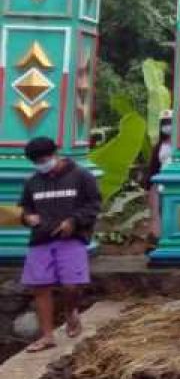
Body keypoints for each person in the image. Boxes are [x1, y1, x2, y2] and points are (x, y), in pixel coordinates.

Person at [19, 137, 101, 352]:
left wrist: (73, 221)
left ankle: (71, 311)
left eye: (44, 159)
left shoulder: (82, 176)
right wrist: (28, 218)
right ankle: (47, 336)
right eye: (36, 162)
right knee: (40, 287)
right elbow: (26, 209)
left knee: (71, 285)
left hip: (71, 238)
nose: (41, 164)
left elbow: (93, 205)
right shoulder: (32, 182)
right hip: (40, 239)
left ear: (55, 154)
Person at [145, 111, 173, 246]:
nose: (168, 126)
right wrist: (149, 187)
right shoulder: (159, 147)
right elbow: (153, 168)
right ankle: (161, 241)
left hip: (177, 184)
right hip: (161, 185)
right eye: (165, 123)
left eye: (170, 123)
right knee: (161, 213)